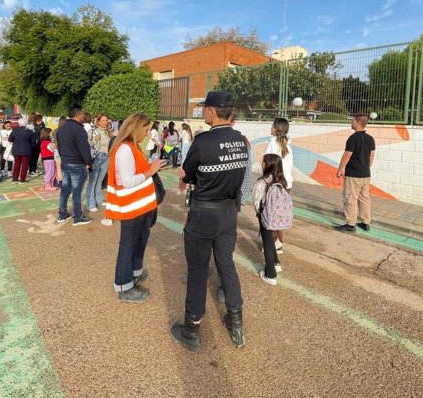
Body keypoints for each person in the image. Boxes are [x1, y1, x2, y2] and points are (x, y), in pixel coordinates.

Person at [171, 91, 249, 353]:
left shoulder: (203, 141)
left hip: (204, 213)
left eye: (205, 108)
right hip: (229, 214)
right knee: (227, 265)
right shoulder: (241, 141)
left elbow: (188, 173)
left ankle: (191, 329)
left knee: (197, 270)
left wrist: (191, 177)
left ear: (213, 112)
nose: (203, 112)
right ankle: (236, 323)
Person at [104, 113, 165, 302]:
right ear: (136, 128)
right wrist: (151, 170)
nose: (147, 134)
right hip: (131, 207)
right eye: (145, 130)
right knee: (128, 245)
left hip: (139, 206)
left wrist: (150, 167)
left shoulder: (131, 147)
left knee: (140, 241)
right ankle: (124, 286)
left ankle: (135, 273)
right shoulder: (124, 149)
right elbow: (128, 181)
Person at [335, 114, 376, 233]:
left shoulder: (353, 138)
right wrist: (366, 167)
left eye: (352, 121)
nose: (351, 123)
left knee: (350, 198)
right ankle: (365, 222)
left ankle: (350, 225)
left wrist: (340, 169)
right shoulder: (370, 138)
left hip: (353, 174)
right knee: (364, 198)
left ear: (358, 122)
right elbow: (371, 155)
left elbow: (347, 155)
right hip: (365, 174)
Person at [253, 154, 287, 285]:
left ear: (269, 165)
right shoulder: (280, 180)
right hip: (277, 216)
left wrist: (258, 213)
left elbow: (256, 200)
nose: (262, 164)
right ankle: (276, 262)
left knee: (266, 242)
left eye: (264, 162)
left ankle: (270, 275)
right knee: (270, 239)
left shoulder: (263, 182)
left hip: (265, 216)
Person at [56, 105, 93, 226]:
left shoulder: (61, 128)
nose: (83, 116)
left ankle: (62, 214)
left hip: (65, 162)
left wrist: (64, 158)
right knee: (77, 192)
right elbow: (84, 148)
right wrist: (89, 162)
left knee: (65, 190)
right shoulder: (78, 129)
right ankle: (77, 217)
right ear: (78, 114)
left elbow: (59, 146)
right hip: (77, 163)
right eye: (82, 114)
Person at [263, 117, 293, 255]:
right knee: (280, 213)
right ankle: (278, 243)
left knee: (270, 213)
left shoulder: (272, 144)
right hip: (286, 183)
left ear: (276, 129)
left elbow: (268, 164)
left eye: (272, 126)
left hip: (275, 183)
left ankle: (273, 244)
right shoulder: (287, 145)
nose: (270, 128)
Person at [86, 114, 112, 213]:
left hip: (106, 157)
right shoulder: (92, 131)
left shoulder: (107, 132)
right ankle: (90, 203)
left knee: (99, 180)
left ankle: (99, 199)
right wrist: (94, 140)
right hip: (96, 157)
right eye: (103, 120)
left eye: (106, 120)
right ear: (98, 121)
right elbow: (85, 143)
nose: (106, 122)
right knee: (93, 181)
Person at [8, 118, 35, 183]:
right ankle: (22, 179)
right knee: (24, 165)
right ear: (26, 124)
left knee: (17, 164)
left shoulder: (14, 130)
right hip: (26, 150)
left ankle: (15, 179)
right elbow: (33, 142)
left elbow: (10, 139)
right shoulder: (29, 131)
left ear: (19, 123)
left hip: (16, 150)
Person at [53, 116, 67, 186]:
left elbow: (53, 143)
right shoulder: (67, 131)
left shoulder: (55, 131)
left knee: (58, 168)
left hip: (57, 150)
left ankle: (61, 183)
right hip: (65, 151)